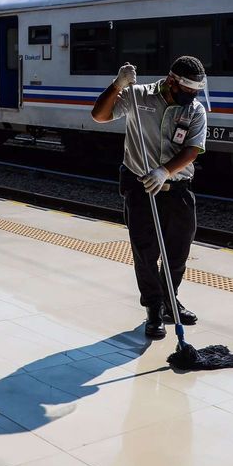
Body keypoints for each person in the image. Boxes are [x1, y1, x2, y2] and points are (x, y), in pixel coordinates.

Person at [91, 55, 208, 340]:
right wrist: (117, 85)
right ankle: (153, 309)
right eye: (188, 90)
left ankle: (171, 299)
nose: (192, 96)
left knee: (178, 251)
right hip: (139, 185)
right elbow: (100, 116)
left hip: (177, 187)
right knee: (146, 253)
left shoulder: (195, 110)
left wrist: (164, 171)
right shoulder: (137, 95)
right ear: (172, 81)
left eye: (196, 92)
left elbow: (192, 150)